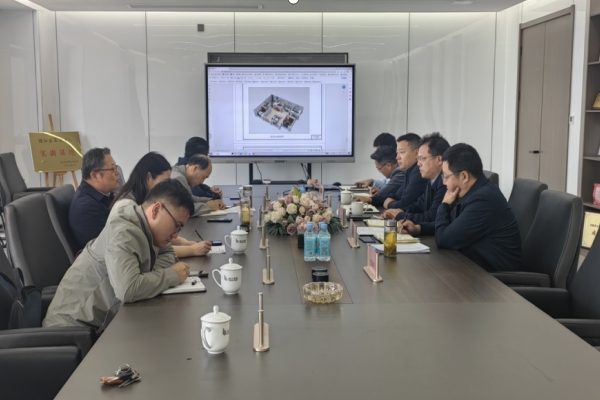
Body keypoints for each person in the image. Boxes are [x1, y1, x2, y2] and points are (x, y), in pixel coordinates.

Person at [43, 179, 194, 333]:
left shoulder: (148, 229)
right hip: (73, 331)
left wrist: (147, 278)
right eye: (177, 226)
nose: (176, 235)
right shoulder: (123, 233)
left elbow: (168, 252)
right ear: (156, 210)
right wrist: (171, 275)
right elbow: (128, 290)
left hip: (103, 323)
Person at [401, 144, 521, 272]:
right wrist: (419, 228)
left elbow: (444, 240)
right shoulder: (472, 192)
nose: (444, 182)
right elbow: (453, 224)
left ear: (464, 176)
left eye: (446, 176)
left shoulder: (483, 199)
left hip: (494, 278)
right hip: (473, 266)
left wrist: (444, 205)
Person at [110, 152, 212, 258]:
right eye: (164, 182)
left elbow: (158, 237)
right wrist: (192, 250)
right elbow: (150, 250)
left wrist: (186, 243)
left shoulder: (143, 199)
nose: (166, 187)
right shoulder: (128, 207)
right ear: (148, 177)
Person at [381, 132, 450, 230]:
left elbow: (431, 217)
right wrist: (397, 211)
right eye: (418, 159)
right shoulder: (432, 180)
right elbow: (419, 206)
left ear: (439, 160)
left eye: (422, 159)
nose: (418, 164)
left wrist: (400, 215)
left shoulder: (445, 183)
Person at [69, 147, 120, 252]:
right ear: (95, 176)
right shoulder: (86, 208)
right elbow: (110, 245)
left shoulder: (101, 194)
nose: (117, 172)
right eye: (112, 169)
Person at [367, 133, 427, 209]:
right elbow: (397, 196)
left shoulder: (419, 173)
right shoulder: (410, 171)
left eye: (402, 152)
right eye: (397, 153)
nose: (397, 157)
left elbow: (404, 204)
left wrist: (389, 204)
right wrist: (371, 200)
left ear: (416, 153)